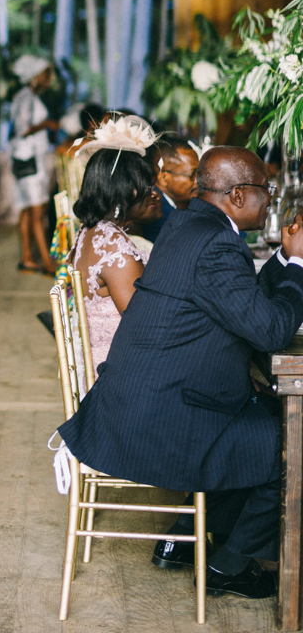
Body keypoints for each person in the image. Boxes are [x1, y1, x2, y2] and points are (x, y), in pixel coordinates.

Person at [59, 146, 303, 600]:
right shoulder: (215, 242)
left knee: (266, 414)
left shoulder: (188, 225)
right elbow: (269, 330)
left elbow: (240, 300)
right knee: (291, 439)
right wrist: (300, 268)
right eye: (264, 191)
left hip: (139, 397)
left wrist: (286, 261)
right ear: (236, 195)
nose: (270, 201)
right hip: (162, 417)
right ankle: (228, 565)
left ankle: (192, 539)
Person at [68, 116, 163, 375]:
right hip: (120, 372)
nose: (156, 194)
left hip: (105, 360)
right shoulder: (114, 247)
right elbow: (144, 325)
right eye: (147, 186)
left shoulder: (93, 230)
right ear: (122, 190)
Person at [10, 55, 59, 274]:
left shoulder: (25, 96)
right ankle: (48, 264)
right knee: (38, 211)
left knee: (28, 210)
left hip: (25, 159)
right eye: (46, 74)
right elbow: (22, 129)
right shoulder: (27, 97)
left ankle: (27, 258)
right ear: (35, 76)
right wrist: (47, 124)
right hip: (29, 160)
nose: (49, 78)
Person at [141, 135, 199, 243]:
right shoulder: (158, 214)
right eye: (192, 174)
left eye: (199, 173)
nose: (198, 181)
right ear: (163, 178)